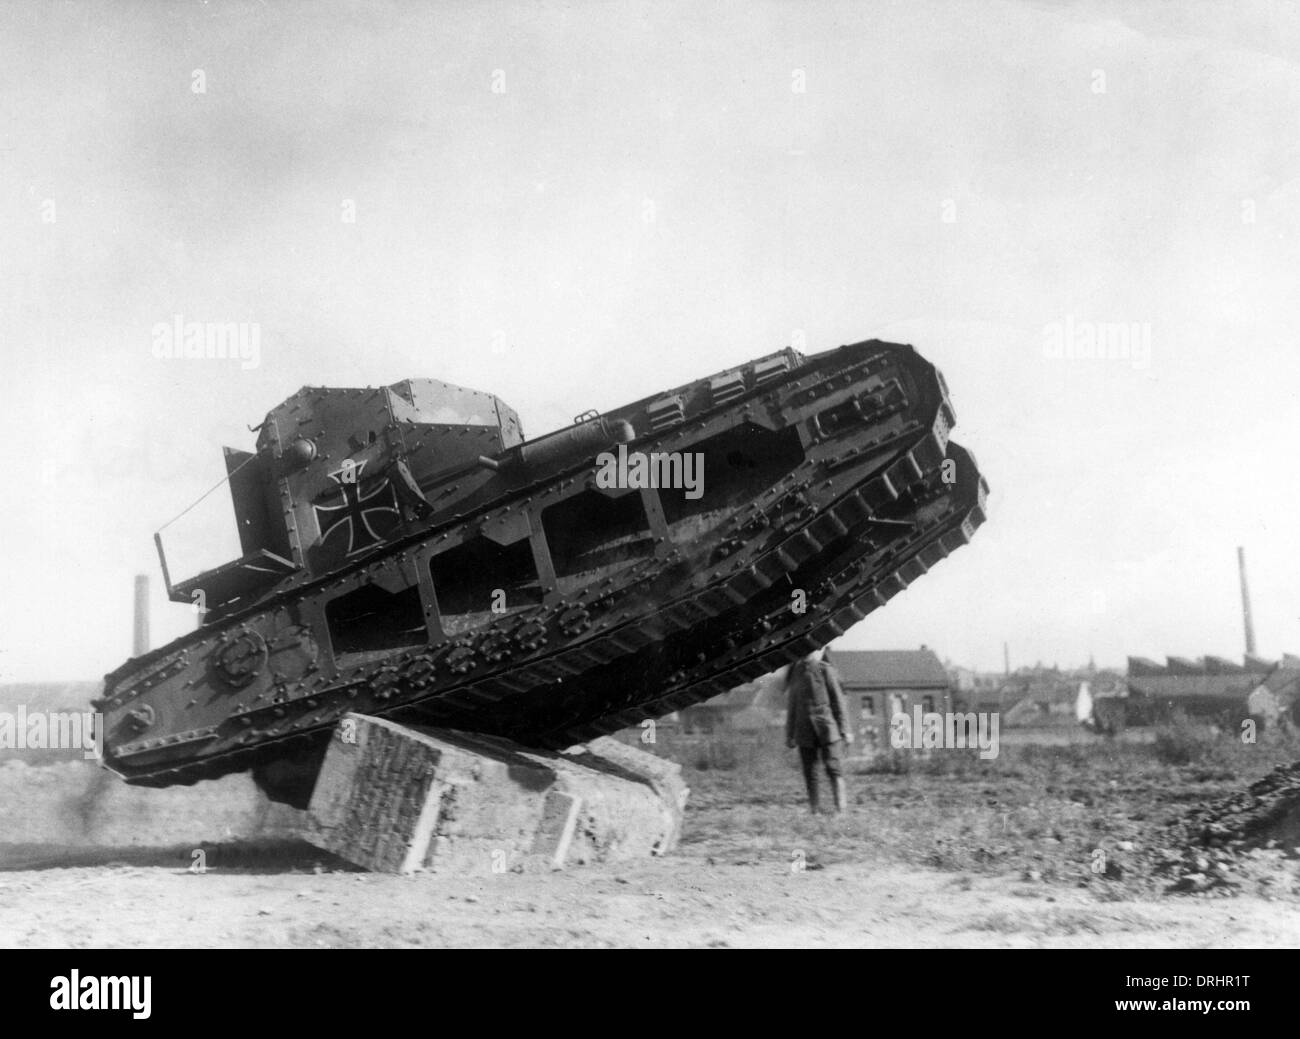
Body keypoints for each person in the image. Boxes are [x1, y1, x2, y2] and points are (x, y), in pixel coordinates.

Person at [784, 648, 852, 813]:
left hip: (827, 728)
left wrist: (846, 730)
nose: (806, 654)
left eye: (810, 651)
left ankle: (841, 809)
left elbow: (838, 701)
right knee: (810, 772)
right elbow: (792, 706)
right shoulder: (796, 673)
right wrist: (790, 734)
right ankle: (815, 810)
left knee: (833, 768)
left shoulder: (825, 670)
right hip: (804, 730)